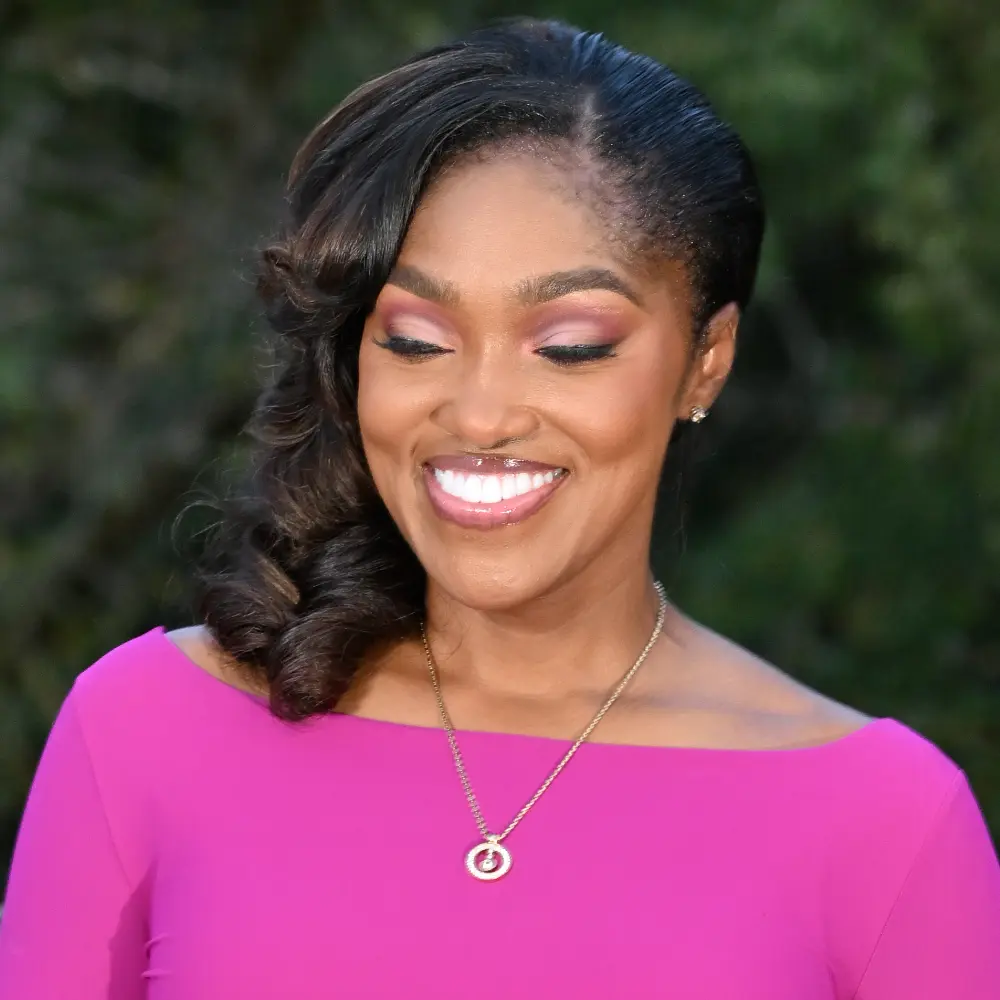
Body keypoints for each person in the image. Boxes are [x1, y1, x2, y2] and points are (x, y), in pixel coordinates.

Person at [1, 16, 998, 999]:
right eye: (415, 339)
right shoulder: (142, 727)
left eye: (567, 345)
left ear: (706, 360)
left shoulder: (883, 824)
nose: (477, 412)